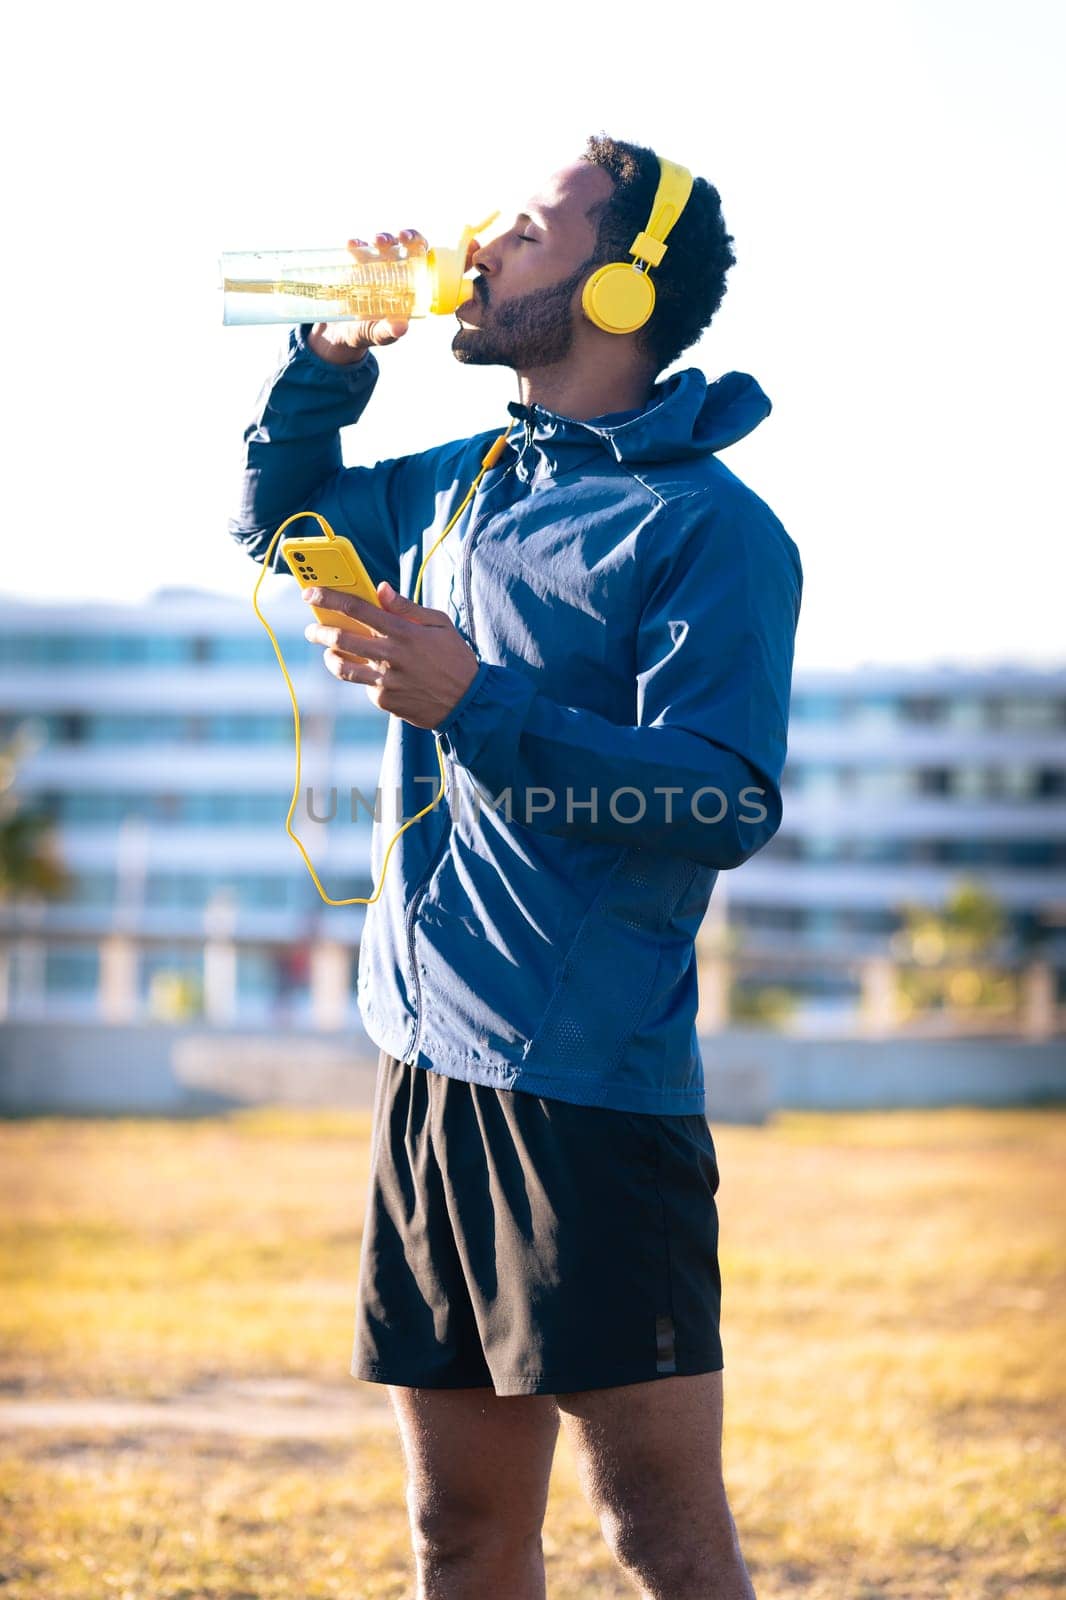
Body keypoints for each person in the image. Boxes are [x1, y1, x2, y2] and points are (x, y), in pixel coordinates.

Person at [229, 133, 801, 1600]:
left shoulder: (710, 532)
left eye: (531, 227)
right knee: (457, 1536)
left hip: (591, 1102)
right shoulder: (468, 475)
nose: (480, 241)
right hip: (423, 1067)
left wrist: (475, 704)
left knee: (659, 1541)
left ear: (617, 285)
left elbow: (722, 803)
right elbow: (283, 522)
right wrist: (327, 356)